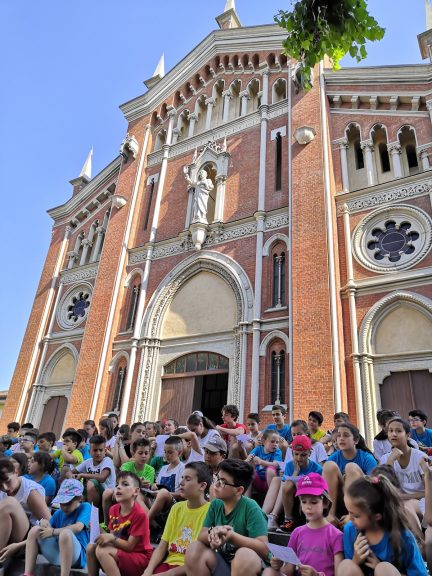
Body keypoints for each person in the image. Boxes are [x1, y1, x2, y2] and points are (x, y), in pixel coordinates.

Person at [184, 459, 269, 576]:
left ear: (239, 490)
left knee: (244, 555)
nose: (216, 484)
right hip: (224, 562)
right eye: (217, 478)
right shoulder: (216, 504)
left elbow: (264, 548)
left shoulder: (251, 508)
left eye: (223, 482)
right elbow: (202, 534)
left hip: (248, 567)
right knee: (195, 548)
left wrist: (231, 536)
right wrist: (213, 534)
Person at [338, 474, 427, 575]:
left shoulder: (403, 537)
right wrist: (355, 560)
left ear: (377, 517)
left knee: (383, 569)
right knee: (346, 566)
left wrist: (378, 566)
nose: (349, 518)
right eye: (349, 512)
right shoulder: (350, 530)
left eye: (356, 515)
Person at [263, 473, 343, 576]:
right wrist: (278, 565)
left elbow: (340, 572)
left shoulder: (335, 535)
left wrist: (316, 575)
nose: (308, 507)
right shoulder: (297, 532)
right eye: (304, 502)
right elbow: (289, 570)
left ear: (325, 503)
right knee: (269, 572)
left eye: (314, 502)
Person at [143, 462, 212, 575]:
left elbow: (202, 559)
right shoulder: (176, 508)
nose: (181, 482)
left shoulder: (210, 511)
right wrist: (148, 570)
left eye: (188, 479)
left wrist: (168, 574)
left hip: (190, 569)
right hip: (168, 564)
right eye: (182, 477)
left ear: (202, 486)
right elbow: (162, 546)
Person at [87, 471, 153, 576]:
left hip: (140, 558)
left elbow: (130, 546)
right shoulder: (113, 509)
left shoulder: (140, 514)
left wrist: (111, 538)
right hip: (121, 552)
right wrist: (98, 529)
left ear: (136, 491)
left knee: (102, 551)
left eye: (125, 484)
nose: (118, 487)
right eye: (117, 485)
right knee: (91, 548)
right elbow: (114, 536)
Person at [24, 478, 91, 576]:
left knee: (65, 533)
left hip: (77, 558)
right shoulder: (59, 512)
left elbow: (78, 527)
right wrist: (44, 524)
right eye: (61, 503)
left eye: (68, 503)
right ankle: (28, 573)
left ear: (80, 498)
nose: (64, 507)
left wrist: (52, 531)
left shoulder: (85, 507)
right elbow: (46, 530)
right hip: (58, 555)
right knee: (36, 529)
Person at [323, 423, 377, 526]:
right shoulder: (334, 457)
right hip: (339, 500)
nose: (341, 438)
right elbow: (323, 482)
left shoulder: (366, 457)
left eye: (346, 435)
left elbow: (375, 484)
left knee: (351, 467)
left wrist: (353, 477)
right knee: (329, 465)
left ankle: (352, 514)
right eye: (339, 435)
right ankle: (330, 515)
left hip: (361, 501)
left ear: (355, 440)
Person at [267, 435, 323, 532]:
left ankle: (309, 520)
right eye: (296, 454)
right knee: (286, 485)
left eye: (303, 455)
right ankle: (288, 520)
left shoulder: (317, 468)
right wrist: (296, 472)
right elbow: (286, 485)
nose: (299, 458)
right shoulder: (290, 465)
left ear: (310, 453)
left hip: (309, 497)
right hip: (292, 495)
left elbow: (318, 489)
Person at [0, 458, 51, 562]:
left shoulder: (30, 491)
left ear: (16, 472)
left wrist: (19, 545)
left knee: (10, 503)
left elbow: (50, 525)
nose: (5, 488)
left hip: (28, 541)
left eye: (7, 481)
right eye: (0, 485)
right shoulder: (4, 490)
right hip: (7, 534)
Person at [379, 417, 427, 521]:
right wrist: (391, 461)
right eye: (390, 431)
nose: (394, 434)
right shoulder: (385, 459)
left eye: (399, 431)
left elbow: (429, 490)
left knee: (406, 507)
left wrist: (405, 496)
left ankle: (419, 537)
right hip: (396, 503)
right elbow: (382, 487)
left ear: (408, 435)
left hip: (421, 501)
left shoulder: (419, 457)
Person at [147, 436, 185, 525]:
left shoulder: (183, 468)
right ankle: (154, 525)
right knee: (139, 495)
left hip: (173, 504)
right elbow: (158, 485)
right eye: (165, 452)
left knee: (163, 493)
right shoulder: (163, 468)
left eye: (170, 452)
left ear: (179, 453)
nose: (166, 455)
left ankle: (143, 525)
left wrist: (162, 494)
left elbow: (182, 494)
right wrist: (153, 486)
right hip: (158, 500)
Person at [73, 434, 116, 507]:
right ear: (89, 452)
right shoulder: (88, 462)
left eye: (101, 450)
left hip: (108, 496)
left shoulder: (107, 460)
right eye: (95, 450)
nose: (98, 453)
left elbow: (102, 478)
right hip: (92, 494)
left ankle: (92, 511)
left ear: (105, 451)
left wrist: (83, 475)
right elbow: (72, 472)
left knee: (91, 482)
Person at [246, 429, 282, 494]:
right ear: (264, 441)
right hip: (259, 481)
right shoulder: (258, 449)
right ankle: (247, 499)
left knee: (270, 470)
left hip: (273, 483)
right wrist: (249, 459)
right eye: (272, 441)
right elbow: (249, 458)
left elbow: (276, 465)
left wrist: (261, 462)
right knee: (249, 471)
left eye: (277, 442)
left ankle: (271, 496)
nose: (275, 444)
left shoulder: (277, 451)